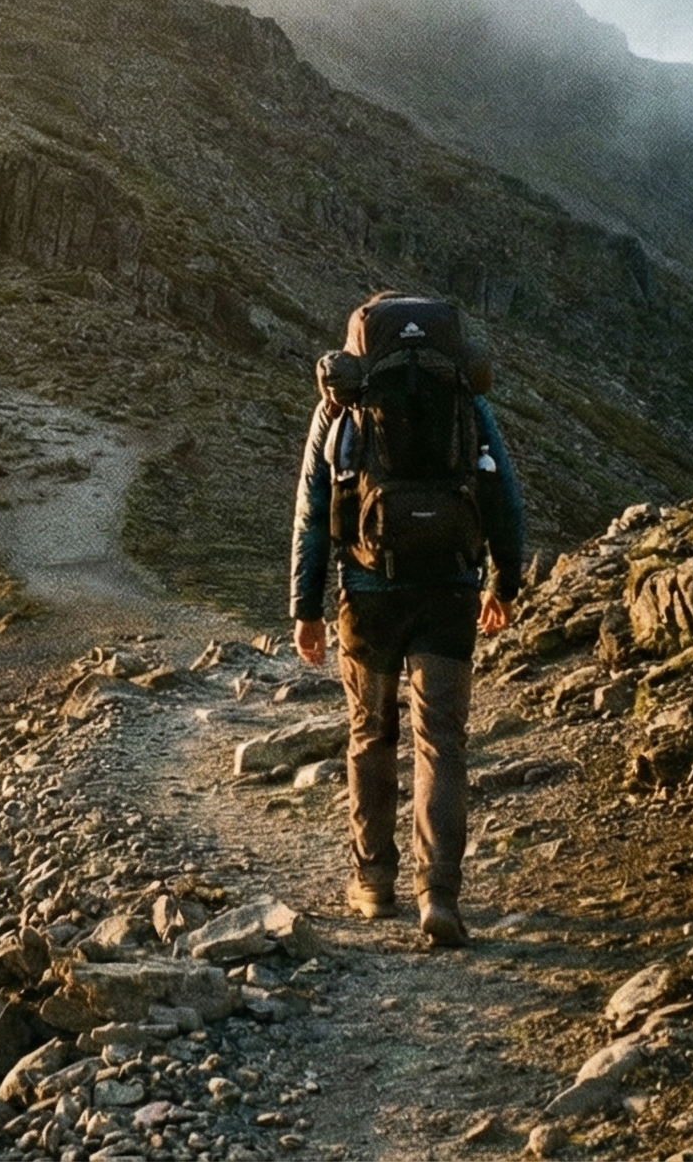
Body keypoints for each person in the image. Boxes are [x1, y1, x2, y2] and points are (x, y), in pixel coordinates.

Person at [288, 293, 526, 947]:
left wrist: (306, 609)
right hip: (451, 587)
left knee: (369, 736)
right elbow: (503, 492)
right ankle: (439, 895)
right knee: (442, 743)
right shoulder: (464, 400)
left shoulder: (341, 404)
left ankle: (373, 882)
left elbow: (313, 513)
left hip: (368, 593)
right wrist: (504, 579)